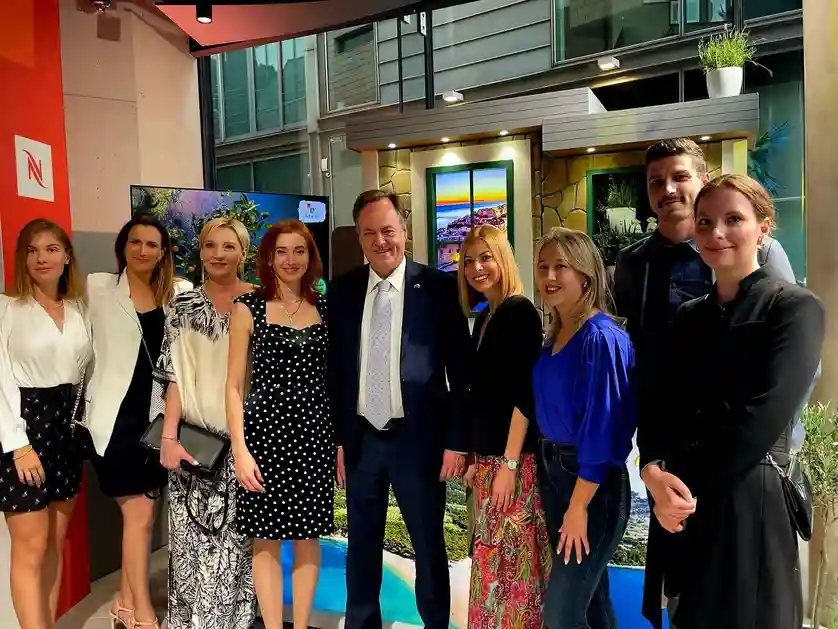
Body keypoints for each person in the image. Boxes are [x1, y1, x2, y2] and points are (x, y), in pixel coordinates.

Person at [611, 138, 795, 628]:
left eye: (680, 177)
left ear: (703, 179)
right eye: (657, 181)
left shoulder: (758, 252)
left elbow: (790, 364)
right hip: (670, 448)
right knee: (684, 590)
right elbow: (635, 358)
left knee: (747, 599)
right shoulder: (633, 264)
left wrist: (770, 451)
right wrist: (651, 458)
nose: (668, 189)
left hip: (748, 460)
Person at [639, 174, 824, 629]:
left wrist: (682, 489)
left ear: (763, 228)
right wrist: (652, 472)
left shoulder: (794, 309)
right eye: (705, 222)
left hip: (749, 500)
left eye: (733, 219)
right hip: (682, 506)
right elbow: (658, 405)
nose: (716, 232)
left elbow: (759, 421)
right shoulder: (687, 317)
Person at [328, 190, 472, 629]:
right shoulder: (343, 291)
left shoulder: (440, 288)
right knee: (361, 547)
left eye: (388, 230)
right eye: (369, 233)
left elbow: (461, 374)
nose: (380, 241)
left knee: (428, 546)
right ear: (359, 237)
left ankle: (436, 624)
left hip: (419, 441)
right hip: (362, 442)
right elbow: (337, 371)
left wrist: (456, 443)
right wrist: (339, 439)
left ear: (404, 232)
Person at [84, 214, 192, 629]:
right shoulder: (97, 288)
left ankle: (124, 601)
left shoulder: (178, 293)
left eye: (152, 244)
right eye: (135, 242)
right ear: (123, 247)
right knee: (140, 517)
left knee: (142, 517)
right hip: (114, 423)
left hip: (160, 422)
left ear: (163, 252)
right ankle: (143, 613)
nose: (143, 250)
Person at [226, 219, 333, 629]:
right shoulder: (247, 307)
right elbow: (234, 386)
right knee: (265, 539)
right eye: (282, 252)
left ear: (310, 257)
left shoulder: (326, 308)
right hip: (263, 438)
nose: (291, 260)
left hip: (314, 437)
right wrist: (240, 449)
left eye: (299, 251)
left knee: (308, 537)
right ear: (268, 258)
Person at [533, 227, 636, 629]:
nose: (550, 276)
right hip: (555, 474)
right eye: (543, 266)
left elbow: (603, 430)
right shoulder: (554, 337)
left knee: (561, 615)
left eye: (561, 266)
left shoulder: (601, 338)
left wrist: (579, 506)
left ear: (585, 274)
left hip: (591, 486)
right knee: (592, 605)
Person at [157, 218, 256, 629]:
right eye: (210, 245)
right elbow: (174, 377)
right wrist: (168, 437)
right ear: (200, 251)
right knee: (189, 549)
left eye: (228, 246)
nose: (218, 254)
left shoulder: (259, 303)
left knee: (236, 552)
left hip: (245, 447)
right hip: (194, 445)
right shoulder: (183, 307)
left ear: (243, 253)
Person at [457, 225, 552, 629]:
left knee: (514, 575)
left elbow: (523, 397)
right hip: (489, 463)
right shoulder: (486, 316)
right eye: (468, 261)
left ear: (503, 260)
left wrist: (509, 465)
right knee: (491, 567)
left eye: (485, 258)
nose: (476, 268)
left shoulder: (520, 313)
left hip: (513, 464)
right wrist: (475, 457)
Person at [0, 219, 91, 629]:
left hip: (64, 432)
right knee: (30, 548)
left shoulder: (78, 309)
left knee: (55, 542)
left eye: (51, 249)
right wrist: (18, 445)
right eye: (32, 250)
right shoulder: (6, 309)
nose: (42, 258)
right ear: (22, 259)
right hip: (23, 431)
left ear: (67, 256)